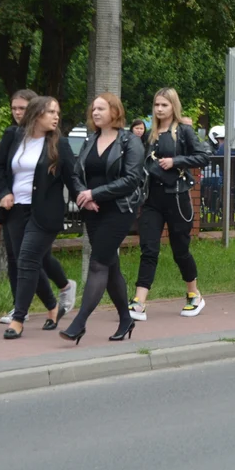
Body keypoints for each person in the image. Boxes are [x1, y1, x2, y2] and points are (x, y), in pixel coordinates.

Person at [60, 94, 144, 344]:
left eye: (101, 108)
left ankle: (79, 322)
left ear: (115, 111)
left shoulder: (130, 142)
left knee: (98, 263)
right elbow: (76, 173)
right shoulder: (90, 140)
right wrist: (84, 196)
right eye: (93, 108)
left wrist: (95, 193)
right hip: (93, 210)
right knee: (110, 265)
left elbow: (131, 180)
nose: (95, 112)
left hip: (118, 210)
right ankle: (126, 319)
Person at [0, 97, 76, 340]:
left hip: (43, 213)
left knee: (28, 260)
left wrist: (87, 201)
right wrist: (3, 192)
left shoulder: (59, 144)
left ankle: (19, 319)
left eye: (57, 112)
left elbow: (73, 179)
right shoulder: (14, 136)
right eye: (51, 111)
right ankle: (53, 307)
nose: (56, 116)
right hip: (14, 210)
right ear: (36, 114)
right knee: (27, 262)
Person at [129, 88, 211, 320]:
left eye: (164, 105)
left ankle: (193, 294)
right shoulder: (149, 134)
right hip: (152, 199)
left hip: (177, 196)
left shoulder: (183, 131)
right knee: (149, 249)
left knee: (180, 250)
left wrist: (176, 161)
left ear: (173, 106)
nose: (159, 109)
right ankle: (139, 301)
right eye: (156, 105)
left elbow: (203, 156)